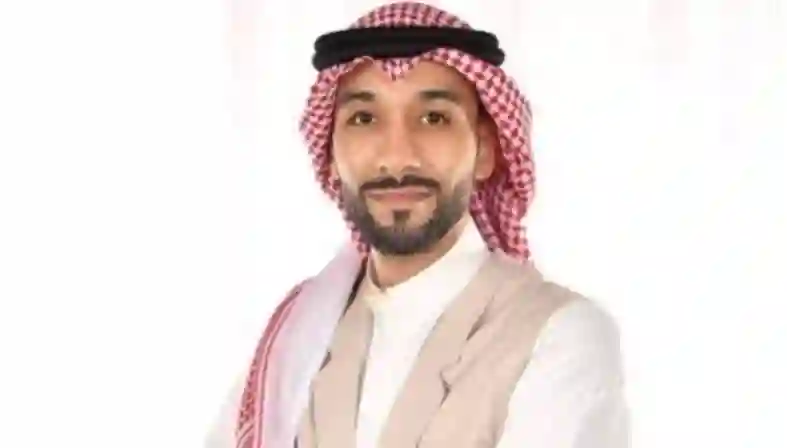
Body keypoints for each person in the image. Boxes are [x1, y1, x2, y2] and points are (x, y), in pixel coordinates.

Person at [207, 2, 629, 447]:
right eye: (364, 119)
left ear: (486, 151)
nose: (397, 157)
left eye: (434, 119)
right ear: (330, 155)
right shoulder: (294, 338)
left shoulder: (558, 334)